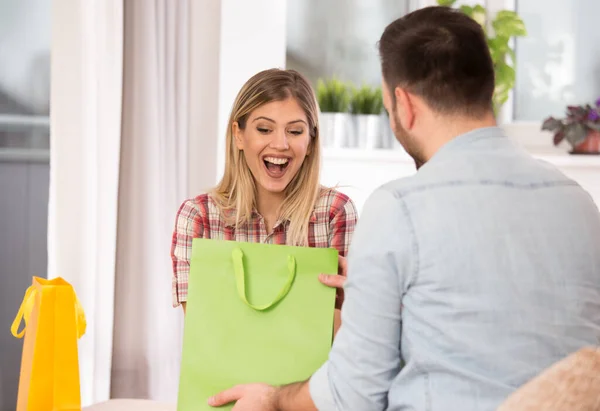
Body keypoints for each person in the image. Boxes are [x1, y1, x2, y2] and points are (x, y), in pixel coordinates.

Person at [208, 6, 600, 411]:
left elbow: (353, 393)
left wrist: (273, 398)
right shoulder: (580, 205)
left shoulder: (398, 209)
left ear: (404, 105)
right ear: (488, 87)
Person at [171, 68, 357, 326]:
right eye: (264, 129)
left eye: (295, 131)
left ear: (311, 142)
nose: (280, 144)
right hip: (226, 367)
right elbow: (204, 335)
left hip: (315, 368)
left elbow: (335, 336)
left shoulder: (335, 212)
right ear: (239, 135)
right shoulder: (198, 217)